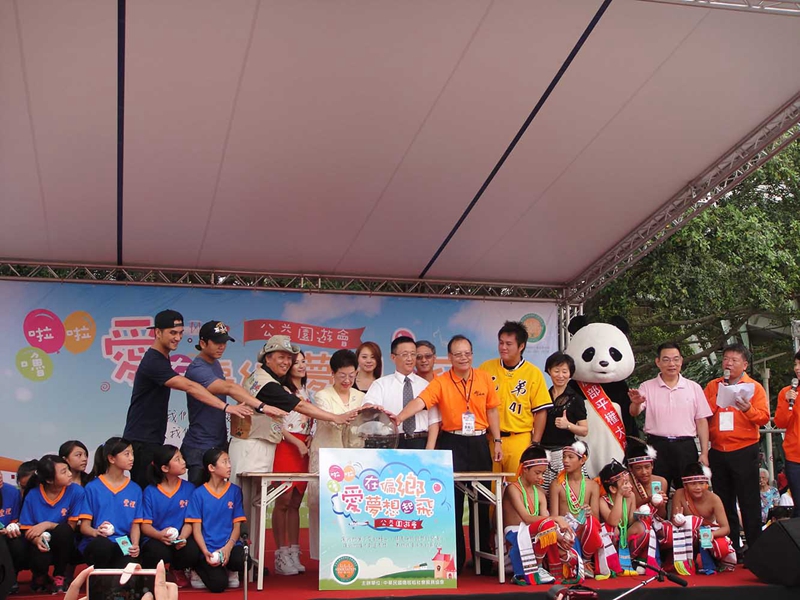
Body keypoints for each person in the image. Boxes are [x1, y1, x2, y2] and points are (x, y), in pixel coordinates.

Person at [228, 336, 356, 565]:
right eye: (282, 357)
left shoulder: (280, 382)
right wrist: (336, 417)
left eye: (290, 358)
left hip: (265, 443)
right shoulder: (265, 382)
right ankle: (239, 562)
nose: (287, 362)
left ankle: (251, 561)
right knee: (245, 505)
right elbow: (299, 406)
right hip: (252, 445)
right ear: (268, 358)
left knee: (257, 506)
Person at [394, 335, 502, 575]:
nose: (464, 358)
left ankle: (483, 561)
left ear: (472, 355)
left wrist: (497, 440)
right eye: (458, 354)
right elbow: (421, 401)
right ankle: (456, 560)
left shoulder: (484, 378)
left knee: (482, 502)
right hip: (452, 442)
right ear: (450, 357)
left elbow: (492, 411)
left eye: (467, 353)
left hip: (479, 442)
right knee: (452, 504)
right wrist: (399, 418)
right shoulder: (441, 382)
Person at [123, 310, 253, 488]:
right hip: (142, 439)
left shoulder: (163, 357)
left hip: (153, 437)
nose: (177, 338)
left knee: (154, 493)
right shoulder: (154, 361)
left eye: (180, 333)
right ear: (158, 332)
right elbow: (190, 386)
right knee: (145, 493)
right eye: (172, 332)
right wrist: (226, 407)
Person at [182, 320, 287, 485]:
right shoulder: (197, 369)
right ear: (202, 343)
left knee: (219, 495)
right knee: (199, 496)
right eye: (217, 342)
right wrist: (262, 406)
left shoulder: (215, 364)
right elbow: (229, 388)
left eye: (224, 342)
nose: (222, 346)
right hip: (200, 445)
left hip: (218, 442)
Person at [703, 343, 769, 557]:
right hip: (718, 450)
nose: (728, 364)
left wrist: (748, 409)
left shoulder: (754, 387)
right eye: (725, 359)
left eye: (734, 360)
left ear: (745, 364)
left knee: (749, 499)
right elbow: (702, 413)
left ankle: (756, 549)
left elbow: (764, 417)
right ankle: (731, 547)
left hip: (744, 449)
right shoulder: (713, 385)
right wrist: (719, 396)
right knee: (724, 500)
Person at [307, 350, 366, 561]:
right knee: (322, 504)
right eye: (342, 375)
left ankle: (352, 551)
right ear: (332, 373)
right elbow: (332, 421)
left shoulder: (362, 397)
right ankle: (322, 556)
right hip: (327, 456)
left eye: (352, 375)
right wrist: (349, 416)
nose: (347, 380)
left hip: (354, 459)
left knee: (352, 504)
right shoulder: (322, 396)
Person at [628, 343, 711, 492]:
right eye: (666, 360)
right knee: (657, 492)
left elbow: (701, 420)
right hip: (657, 446)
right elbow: (634, 412)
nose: (671, 364)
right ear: (658, 362)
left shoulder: (693, 387)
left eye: (676, 359)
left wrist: (704, 452)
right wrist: (636, 403)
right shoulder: (647, 386)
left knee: (688, 491)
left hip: (685, 447)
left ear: (681, 361)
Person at [480, 322, 552, 480]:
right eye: (501, 343)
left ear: (521, 346)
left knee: (518, 487)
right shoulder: (486, 368)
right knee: (490, 488)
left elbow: (541, 411)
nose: (503, 347)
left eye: (508, 344)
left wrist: (535, 443)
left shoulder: (533, 373)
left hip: (519, 438)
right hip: (491, 438)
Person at [503, 444, 574, 586]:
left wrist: (561, 538)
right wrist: (556, 519)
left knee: (564, 536)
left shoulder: (540, 493)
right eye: (537, 473)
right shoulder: (512, 489)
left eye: (543, 473)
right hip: (515, 531)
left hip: (534, 531)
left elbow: (544, 522)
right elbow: (527, 518)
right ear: (525, 469)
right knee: (549, 523)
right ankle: (538, 567)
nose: (540, 477)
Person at [271, 350, 314, 576]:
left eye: (303, 361)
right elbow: (276, 424)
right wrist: (295, 442)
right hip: (286, 446)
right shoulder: (280, 391)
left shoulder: (308, 392)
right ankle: (281, 553)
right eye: (296, 362)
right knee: (283, 500)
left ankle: (294, 552)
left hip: (303, 448)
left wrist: (309, 440)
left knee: (296, 500)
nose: (301, 365)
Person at [19, 455, 85, 593]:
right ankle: (39, 576)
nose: (69, 474)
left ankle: (59, 576)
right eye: (63, 472)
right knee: (38, 553)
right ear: (49, 480)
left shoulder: (76, 491)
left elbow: (71, 527)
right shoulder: (33, 495)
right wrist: (37, 540)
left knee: (64, 531)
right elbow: (27, 529)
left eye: (68, 469)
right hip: (38, 541)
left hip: (64, 541)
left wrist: (47, 524)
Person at [364, 336, 441, 450]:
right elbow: (367, 407)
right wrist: (371, 408)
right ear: (393, 357)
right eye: (405, 354)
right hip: (390, 441)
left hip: (420, 441)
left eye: (413, 354)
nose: (410, 359)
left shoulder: (427, 386)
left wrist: (429, 448)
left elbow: (433, 421)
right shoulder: (380, 384)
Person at [186, 448, 245, 593]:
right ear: (211, 468)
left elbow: (237, 526)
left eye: (229, 461)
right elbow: (196, 530)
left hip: (229, 544)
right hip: (208, 548)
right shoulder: (198, 493)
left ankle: (231, 569)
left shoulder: (235, 491)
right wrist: (205, 551)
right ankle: (197, 569)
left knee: (242, 561)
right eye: (224, 462)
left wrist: (228, 548)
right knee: (218, 585)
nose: (229, 466)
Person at [79, 438, 143, 568]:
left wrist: (135, 544)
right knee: (102, 546)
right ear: (111, 458)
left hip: (123, 543)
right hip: (98, 542)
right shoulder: (93, 487)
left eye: (132, 453)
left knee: (130, 568)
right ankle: (98, 580)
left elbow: (135, 524)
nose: (132, 458)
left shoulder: (135, 489)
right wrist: (96, 532)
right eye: (126, 454)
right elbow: (84, 527)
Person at [140, 445, 198, 587]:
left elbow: (190, 521)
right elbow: (145, 525)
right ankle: (157, 572)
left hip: (179, 537)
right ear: (165, 468)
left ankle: (177, 568)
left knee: (192, 550)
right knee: (158, 552)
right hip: (157, 538)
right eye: (177, 459)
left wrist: (183, 537)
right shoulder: (150, 491)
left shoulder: (189, 488)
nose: (183, 462)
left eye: (182, 457)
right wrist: (160, 535)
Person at [670, 463, 737, 573]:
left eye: (701, 483)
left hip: (709, 536)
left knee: (721, 546)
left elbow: (726, 528)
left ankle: (715, 561)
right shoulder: (679, 494)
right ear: (685, 485)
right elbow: (673, 523)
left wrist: (711, 535)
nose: (698, 488)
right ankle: (685, 562)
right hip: (687, 535)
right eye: (693, 484)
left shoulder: (714, 498)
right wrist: (678, 520)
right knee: (667, 532)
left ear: (706, 484)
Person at [549, 441, 602, 579]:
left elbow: (596, 518)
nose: (565, 461)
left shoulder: (592, 485)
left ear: (582, 460)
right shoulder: (557, 485)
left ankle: (586, 560)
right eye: (564, 457)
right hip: (565, 529)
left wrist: (589, 511)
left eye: (570, 457)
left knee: (592, 523)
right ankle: (575, 564)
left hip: (584, 528)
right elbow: (554, 516)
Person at [540, 352, 588, 493]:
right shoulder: (543, 395)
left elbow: (584, 430)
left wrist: (568, 425)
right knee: (543, 494)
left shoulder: (576, 399)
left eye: (564, 371)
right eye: (556, 371)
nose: (560, 375)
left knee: (567, 494)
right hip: (544, 453)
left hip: (565, 455)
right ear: (549, 371)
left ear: (570, 374)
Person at [597, 461, 640, 577]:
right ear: (613, 488)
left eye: (629, 482)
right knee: (612, 529)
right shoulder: (603, 501)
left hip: (625, 538)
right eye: (625, 483)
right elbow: (613, 522)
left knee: (644, 527)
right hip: (612, 541)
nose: (630, 486)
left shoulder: (631, 496)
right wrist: (620, 496)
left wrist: (640, 516)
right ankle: (612, 565)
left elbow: (630, 522)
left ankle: (633, 561)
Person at [774, 352, 800, 518]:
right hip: (795, 458)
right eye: (796, 364)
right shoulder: (787, 392)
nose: (797, 368)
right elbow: (780, 422)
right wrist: (787, 401)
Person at [624, 437, 668, 519]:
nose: (644, 472)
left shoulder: (661, 481)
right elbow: (628, 515)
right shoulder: (626, 483)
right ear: (630, 468)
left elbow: (662, 516)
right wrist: (648, 500)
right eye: (638, 468)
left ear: (652, 465)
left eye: (647, 467)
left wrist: (660, 505)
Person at [0, 470, 24, 594]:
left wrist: (12, 527)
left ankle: (10, 579)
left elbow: (16, 520)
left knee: (16, 542)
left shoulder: (12, 492)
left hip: (6, 535)